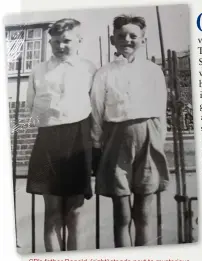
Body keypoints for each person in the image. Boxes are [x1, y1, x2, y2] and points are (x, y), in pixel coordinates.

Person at [91, 15, 170, 247]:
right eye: (121, 36)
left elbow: (160, 108)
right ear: (112, 40)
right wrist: (96, 144)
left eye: (133, 36)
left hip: (148, 139)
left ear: (143, 40)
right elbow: (97, 110)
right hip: (116, 142)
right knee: (122, 214)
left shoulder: (153, 71)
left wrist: (158, 140)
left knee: (143, 213)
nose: (127, 39)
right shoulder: (104, 73)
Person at [26, 18, 96, 252]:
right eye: (55, 41)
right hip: (48, 141)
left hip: (79, 138)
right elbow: (31, 109)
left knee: (75, 211)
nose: (60, 46)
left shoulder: (89, 69)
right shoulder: (39, 71)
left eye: (66, 40)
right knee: (52, 211)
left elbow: (96, 107)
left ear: (79, 40)